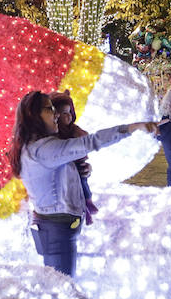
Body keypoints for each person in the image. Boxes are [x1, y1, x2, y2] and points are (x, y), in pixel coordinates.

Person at [10, 91, 156, 276]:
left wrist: (79, 172)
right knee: (61, 288)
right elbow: (90, 142)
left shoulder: (39, 147)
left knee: (60, 284)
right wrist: (132, 128)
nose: (56, 115)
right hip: (57, 229)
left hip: (56, 226)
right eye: (50, 109)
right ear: (34, 115)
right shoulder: (43, 150)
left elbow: (59, 173)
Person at [50, 90, 97, 224]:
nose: (68, 116)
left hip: (77, 164)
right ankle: (85, 207)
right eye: (64, 113)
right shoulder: (49, 138)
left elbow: (85, 139)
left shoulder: (73, 130)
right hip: (57, 203)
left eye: (70, 112)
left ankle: (87, 202)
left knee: (82, 182)